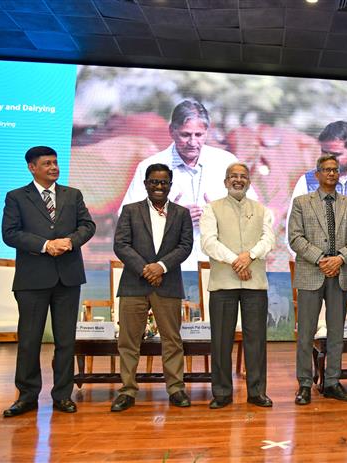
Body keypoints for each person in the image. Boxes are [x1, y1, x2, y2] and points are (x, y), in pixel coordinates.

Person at [1, 146, 96, 417]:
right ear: (32, 167)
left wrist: (70, 241)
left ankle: (62, 395)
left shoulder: (72, 194)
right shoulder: (17, 197)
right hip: (32, 279)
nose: (54, 167)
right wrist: (45, 245)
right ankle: (27, 396)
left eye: (55, 163)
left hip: (68, 277)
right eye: (47, 163)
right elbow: (10, 234)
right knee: (29, 340)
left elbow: (88, 226)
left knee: (66, 340)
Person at [120, 100, 249, 268]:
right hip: (167, 268)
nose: (193, 142)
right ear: (172, 131)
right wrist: (170, 215)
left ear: (207, 132)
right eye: (186, 135)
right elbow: (125, 219)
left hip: (220, 268)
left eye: (199, 135)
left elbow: (253, 215)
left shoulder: (227, 163)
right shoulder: (149, 166)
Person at [111, 164, 193, 412]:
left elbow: (185, 245)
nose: (159, 187)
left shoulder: (181, 213)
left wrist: (161, 267)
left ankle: (176, 389)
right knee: (128, 341)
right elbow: (121, 245)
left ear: (170, 184)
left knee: (172, 340)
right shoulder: (129, 211)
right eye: (154, 182)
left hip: (167, 284)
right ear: (146, 184)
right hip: (134, 284)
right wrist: (146, 269)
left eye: (164, 182)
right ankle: (127, 390)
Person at [200, 163, 276, 409]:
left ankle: (256, 392)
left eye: (243, 177)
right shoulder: (211, 209)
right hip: (223, 283)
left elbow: (269, 240)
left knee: (256, 340)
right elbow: (208, 243)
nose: (238, 180)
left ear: (249, 182)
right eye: (233, 176)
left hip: (254, 282)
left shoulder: (262, 210)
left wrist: (250, 256)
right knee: (221, 341)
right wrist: (236, 260)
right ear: (225, 181)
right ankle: (221, 393)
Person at [288, 155, 347, 405]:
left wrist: (339, 259)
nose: (331, 173)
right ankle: (305, 384)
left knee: (337, 333)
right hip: (312, 272)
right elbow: (295, 238)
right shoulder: (301, 202)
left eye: (335, 170)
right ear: (317, 174)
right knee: (306, 333)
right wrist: (322, 259)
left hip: (340, 273)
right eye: (326, 170)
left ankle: (332, 382)